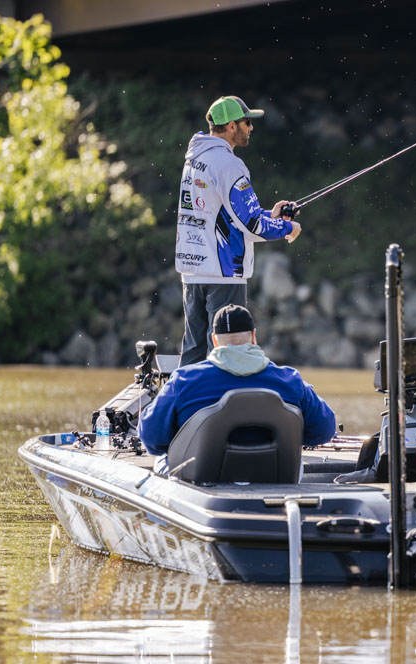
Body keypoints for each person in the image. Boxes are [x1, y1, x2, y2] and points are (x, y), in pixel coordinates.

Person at [176, 95, 302, 366]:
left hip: (193, 271)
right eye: (247, 122)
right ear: (232, 126)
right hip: (223, 274)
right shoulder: (229, 164)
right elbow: (251, 224)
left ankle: (182, 393)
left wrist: (270, 215)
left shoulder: (195, 158)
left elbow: (223, 215)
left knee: (194, 350)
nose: (251, 127)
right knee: (225, 354)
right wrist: (287, 227)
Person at [138, 304, 336, 474]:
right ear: (254, 336)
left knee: (162, 458)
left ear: (214, 340)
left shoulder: (183, 380)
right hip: (275, 476)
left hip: (200, 479)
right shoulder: (290, 380)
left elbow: (151, 438)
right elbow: (324, 431)